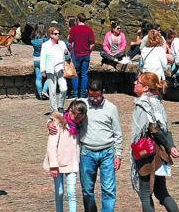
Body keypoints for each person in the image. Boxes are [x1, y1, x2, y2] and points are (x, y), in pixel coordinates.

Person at [48, 80, 123, 212]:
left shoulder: (111, 108)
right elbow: (64, 115)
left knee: (109, 190)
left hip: (107, 152)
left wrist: (118, 154)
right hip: (87, 152)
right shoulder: (82, 103)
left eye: (98, 97)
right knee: (87, 190)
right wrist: (50, 122)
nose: (94, 100)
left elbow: (117, 133)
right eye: (91, 96)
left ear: (103, 93)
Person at [131, 72, 179, 212]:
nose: (135, 83)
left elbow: (155, 129)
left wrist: (170, 147)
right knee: (161, 192)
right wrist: (171, 146)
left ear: (146, 88)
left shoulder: (144, 104)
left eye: (138, 82)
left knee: (145, 194)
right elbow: (165, 129)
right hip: (160, 152)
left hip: (148, 152)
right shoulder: (158, 103)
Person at [44, 100, 88, 212]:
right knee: (59, 192)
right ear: (72, 112)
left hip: (72, 161)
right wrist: (53, 165)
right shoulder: (58, 123)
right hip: (58, 163)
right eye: (77, 117)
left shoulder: (78, 125)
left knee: (72, 192)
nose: (78, 120)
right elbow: (51, 145)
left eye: (81, 118)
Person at [41, 26, 70, 112]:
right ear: (51, 35)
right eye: (55, 34)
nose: (58, 35)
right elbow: (43, 58)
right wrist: (43, 70)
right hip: (51, 69)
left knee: (64, 88)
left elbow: (68, 56)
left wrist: (66, 53)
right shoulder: (45, 45)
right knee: (52, 91)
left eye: (58, 33)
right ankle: (54, 108)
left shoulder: (62, 43)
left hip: (61, 69)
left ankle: (60, 105)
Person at [68, 13, 95, 99]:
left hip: (76, 55)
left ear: (78, 19)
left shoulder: (73, 29)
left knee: (75, 74)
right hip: (86, 54)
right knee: (84, 74)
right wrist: (89, 51)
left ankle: (75, 94)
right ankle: (83, 94)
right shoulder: (89, 29)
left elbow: (70, 43)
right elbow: (92, 44)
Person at [31, 23, 49, 99]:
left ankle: (40, 94)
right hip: (44, 60)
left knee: (38, 78)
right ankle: (45, 90)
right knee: (50, 77)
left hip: (36, 59)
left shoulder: (33, 41)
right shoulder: (46, 40)